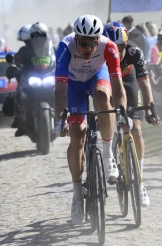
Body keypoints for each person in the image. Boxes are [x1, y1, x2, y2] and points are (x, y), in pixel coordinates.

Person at [54, 14, 128, 224]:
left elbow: (118, 86)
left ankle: (107, 156)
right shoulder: (65, 47)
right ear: (76, 39)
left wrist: (121, 108)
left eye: (91, 43)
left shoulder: (109, 47)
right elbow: (59, 90)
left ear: (99, 40)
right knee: (77, 137)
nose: (86, 48)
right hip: (73, 85)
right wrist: (60, 117)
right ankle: (77, 195)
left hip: (97, 77)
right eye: (83, 43)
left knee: (103, 99)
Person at [103, 21, 160, 207]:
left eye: (119, 47)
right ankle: (111, 150)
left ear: (126, 44)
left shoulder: (135, 52)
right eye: (111, 47)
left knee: (136, 129)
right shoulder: (100, 55)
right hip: (108, 80)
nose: (116, 52)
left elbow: (145, 83)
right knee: (110, 116)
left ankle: (141, 183)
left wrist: (150, 107)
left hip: (128, 80)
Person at [10, 24, 32, 130]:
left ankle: (65, 115)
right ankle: (18, 118)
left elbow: (52, 58)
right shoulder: (23, 50)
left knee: (60, 90)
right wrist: (17, 67)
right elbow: (16, 60)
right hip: (29, 77)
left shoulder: (45, 47)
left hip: (44, 75)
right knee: (18, 93)